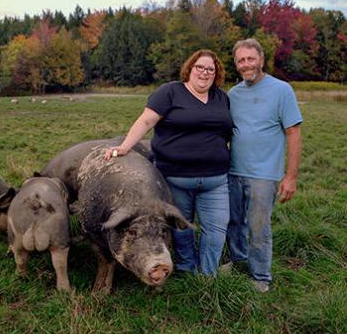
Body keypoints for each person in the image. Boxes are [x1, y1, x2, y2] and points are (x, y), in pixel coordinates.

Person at [105, 49, 232, 276]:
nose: (205, 72)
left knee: (216, 229)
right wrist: (125, 146)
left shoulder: (221, 97)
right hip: (175, 177)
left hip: (216, 179)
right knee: (181, 226)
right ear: (190, 69)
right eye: (200, 67)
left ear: (216, 73)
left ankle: (207, 275)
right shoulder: (170, 92)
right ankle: (186, 267)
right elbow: (146, 121)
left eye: (210, 69)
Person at [225, 38, 303, 292]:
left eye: (250, 58)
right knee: (233, 222)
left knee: (259, 227)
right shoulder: (233, 94)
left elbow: (293, 132)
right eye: (241, 60)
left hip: (264, 175)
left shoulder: (281, 90)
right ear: (236, 64)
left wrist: (290, 177)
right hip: (233, 170)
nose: (246, 64)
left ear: (261, 59)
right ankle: (237, 261)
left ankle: (260, 276)